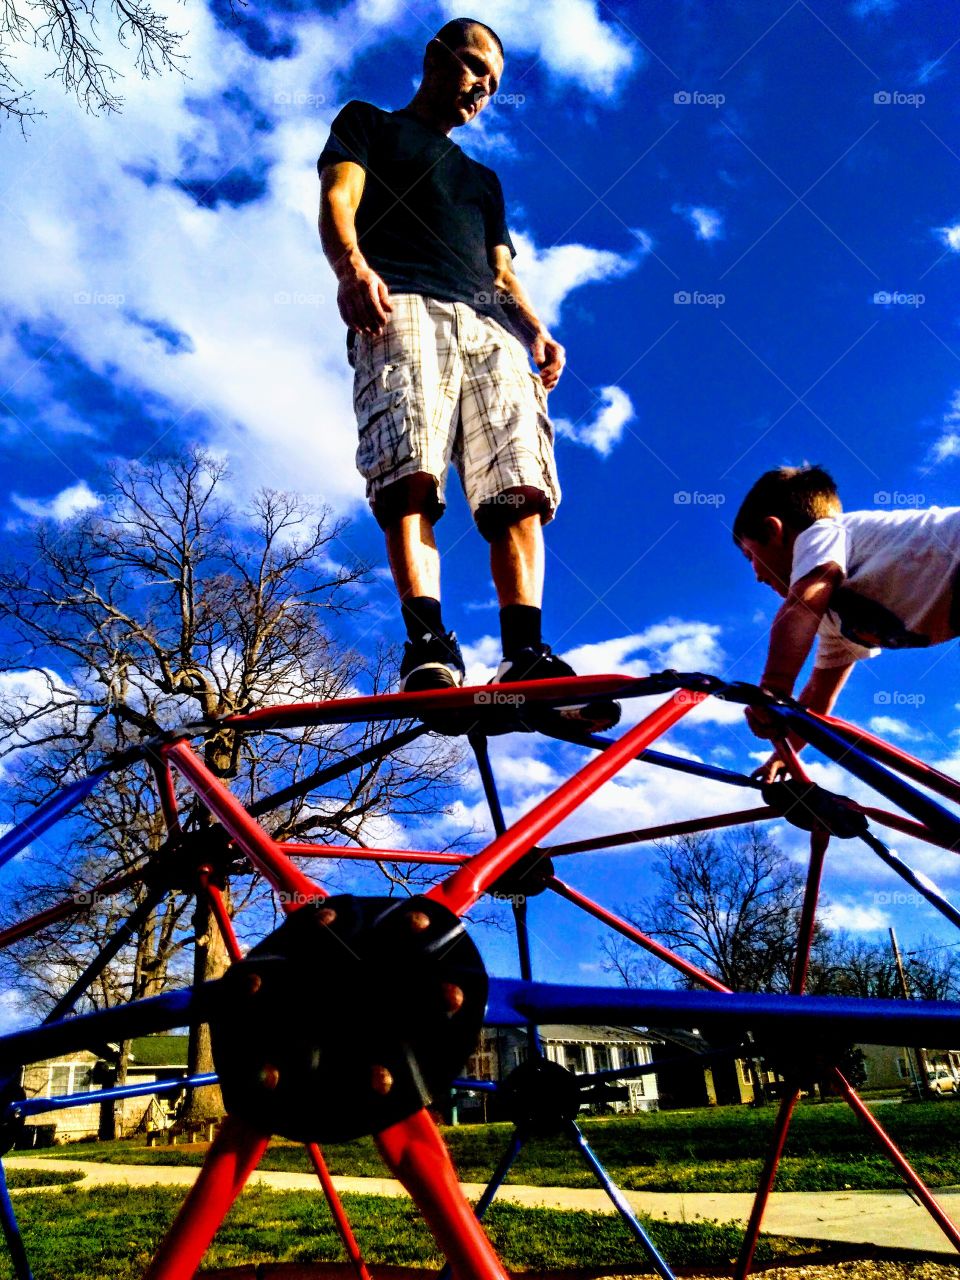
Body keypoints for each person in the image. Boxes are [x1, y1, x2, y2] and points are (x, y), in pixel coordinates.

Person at [317, 16, 618, 730]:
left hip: (488, 328)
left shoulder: (483, 179)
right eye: (475, 67)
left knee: (519, 484)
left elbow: (500, 271)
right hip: (403, 303)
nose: (482, 89)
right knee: (410, 466)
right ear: (435, 57)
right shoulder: (368, 124)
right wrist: (350, 267)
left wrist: (535, 327)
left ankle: (526, 654)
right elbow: (337, 198)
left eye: (493, 83)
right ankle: (428, 644)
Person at [732, 465, 960, 781]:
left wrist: (773, 688)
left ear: (774, 531)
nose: (756, 574)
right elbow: (817, 697)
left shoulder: (822, 533)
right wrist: (786, 754)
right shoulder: (835, 621)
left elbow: (802, 603)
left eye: (750, 555)